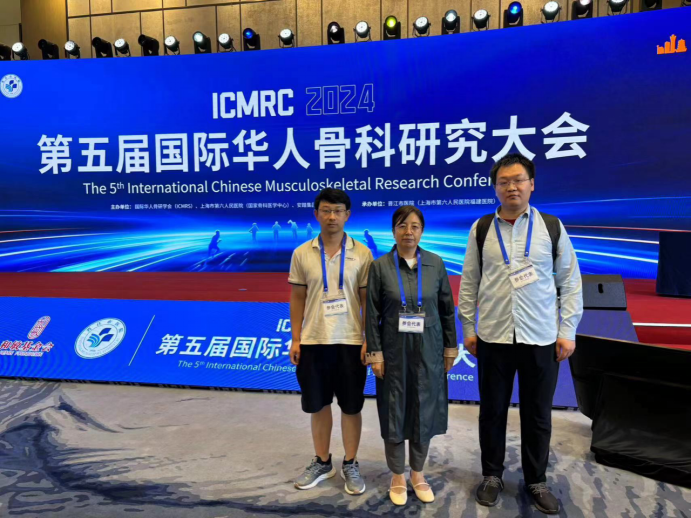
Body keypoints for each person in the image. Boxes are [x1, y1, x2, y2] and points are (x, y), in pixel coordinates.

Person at [458, 153, 583, 515]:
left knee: (538, 414)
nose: (511, 187)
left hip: (540, 338)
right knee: (492, 411)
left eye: (518, 180)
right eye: (504, 182)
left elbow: (570, 281)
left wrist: (567, 330)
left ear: (532, 184)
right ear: (495, 187)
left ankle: (536, 480)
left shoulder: (551, 227)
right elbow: (469, 282)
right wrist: (469, 327)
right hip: (493, 337)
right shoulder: (482, 228)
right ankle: (492, 476)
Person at [365, 206, 458, 506]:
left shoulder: (435, 263)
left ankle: (417, 473)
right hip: (393, 350)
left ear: (422, 231)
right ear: (393, 231)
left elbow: (446, 309)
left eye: (415, 226)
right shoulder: (380, 266)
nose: (409, 232)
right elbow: (372, 314)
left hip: (429, 348)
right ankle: (397, 475)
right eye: (402, 226)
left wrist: (450, 347)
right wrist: (375, 353)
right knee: (394, 411)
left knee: (423, 409)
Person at [288, 188, 374, 495]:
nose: (332, 216)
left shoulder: (362, 253)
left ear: (347, 215)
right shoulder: (302, 253)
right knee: (318, 405)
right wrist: (296, 338)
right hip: (313, 341)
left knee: (351, 407)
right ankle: (322, 461)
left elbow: (367, 301)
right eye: (326, 210)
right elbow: (297, 297)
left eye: (338, 211)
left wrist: (368, 339)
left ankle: (351, 463)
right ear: (316, 214)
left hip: (350, 341)